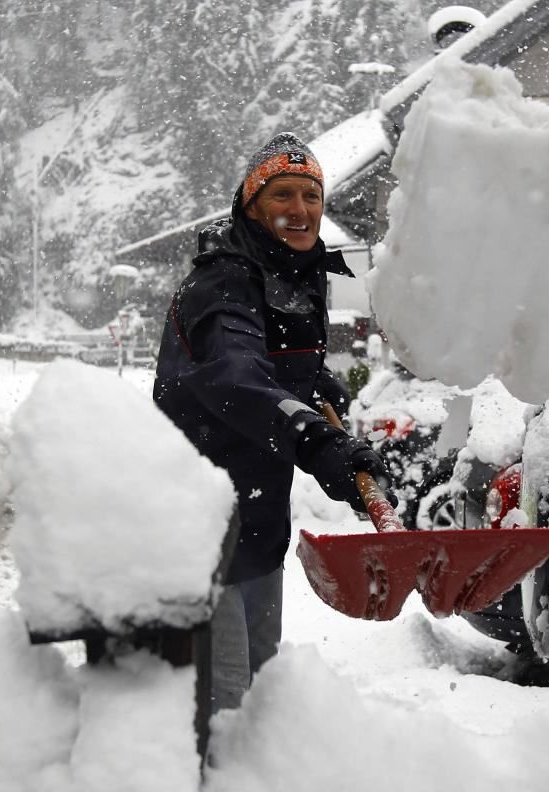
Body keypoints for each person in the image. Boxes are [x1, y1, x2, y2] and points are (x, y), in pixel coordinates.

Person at [153, 132, 391, 712]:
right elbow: (238, 377)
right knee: (223, 695)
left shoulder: (297, 271)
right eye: (282, 194)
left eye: (311, 194)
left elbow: (283, 364)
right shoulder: (222, 281)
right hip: (200, 520)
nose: (300, 208)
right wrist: (314, 439)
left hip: (257, 516)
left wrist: (323, 395)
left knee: (261, 683)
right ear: (251, 207)